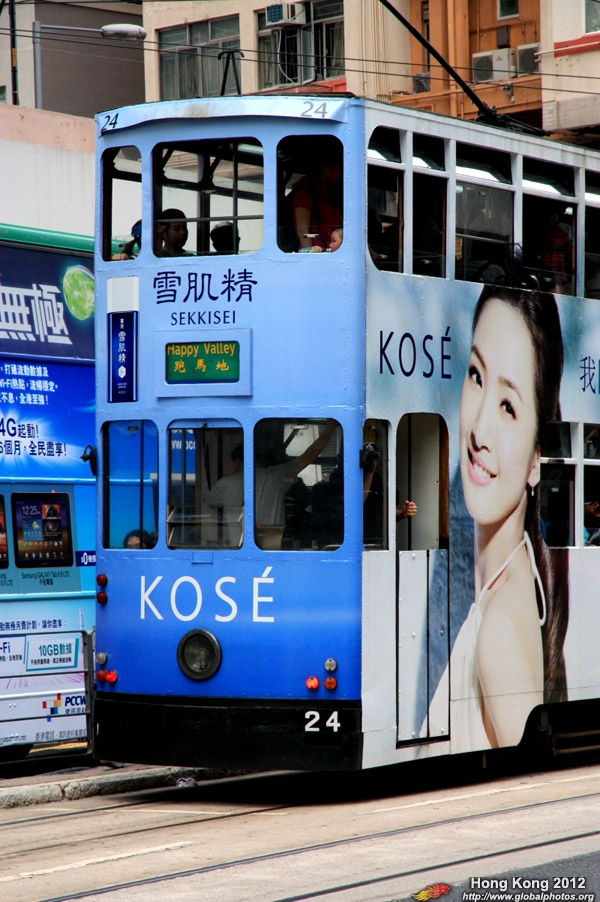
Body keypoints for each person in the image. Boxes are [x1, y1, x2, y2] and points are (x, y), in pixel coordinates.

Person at [426, 286, 569, 753]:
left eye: (508, 407)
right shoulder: (514, 586)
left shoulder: (499, 629)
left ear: (536, 460)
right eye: (476, 375)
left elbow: (530, 784)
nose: (479, 429)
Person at [362, 441, 417, 545]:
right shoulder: (340, 478)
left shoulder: (377, 479)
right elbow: (357, 506)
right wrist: (370, 472)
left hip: (377, 542)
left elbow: (380, 511)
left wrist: (403, 513)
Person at [292, 138, 343, 252]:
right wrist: (310, 254)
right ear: (326, 168)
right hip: (316, 253)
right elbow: (303, 231)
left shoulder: (331, 196)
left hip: (332, 252)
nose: (341, 175)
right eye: (338, 171)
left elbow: (345, 228)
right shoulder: (305, 193)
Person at [203, 443, 244, 547]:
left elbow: (206, 497)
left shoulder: (227, 483)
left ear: (237, 462)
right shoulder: (274, 477)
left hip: (236, 545)